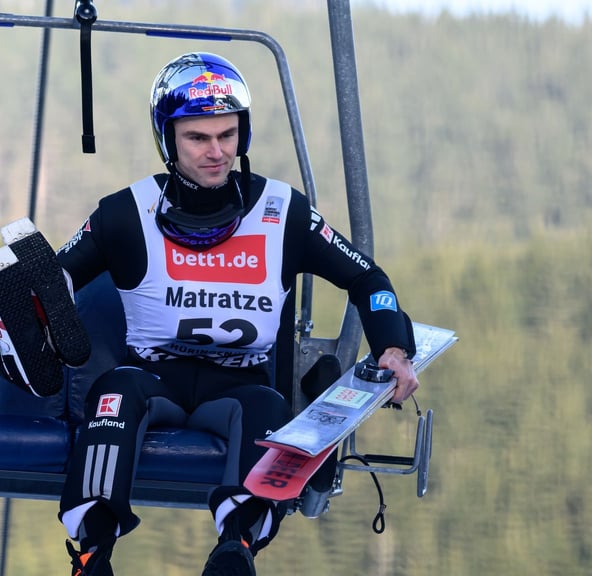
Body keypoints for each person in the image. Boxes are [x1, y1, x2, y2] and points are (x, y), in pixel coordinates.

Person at [52, 52, 419, 576]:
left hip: (238, 388)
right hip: (150, 380)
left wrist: (392, 346)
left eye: (227, 135)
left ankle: (237, 548)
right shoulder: (124, 212)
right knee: (112, 393)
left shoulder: (282, 211)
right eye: (198, 138)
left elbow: (367, 278)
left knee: (269, 409)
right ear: (168, 139)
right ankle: (93, 549)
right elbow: (55, 279)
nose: (216, 152)